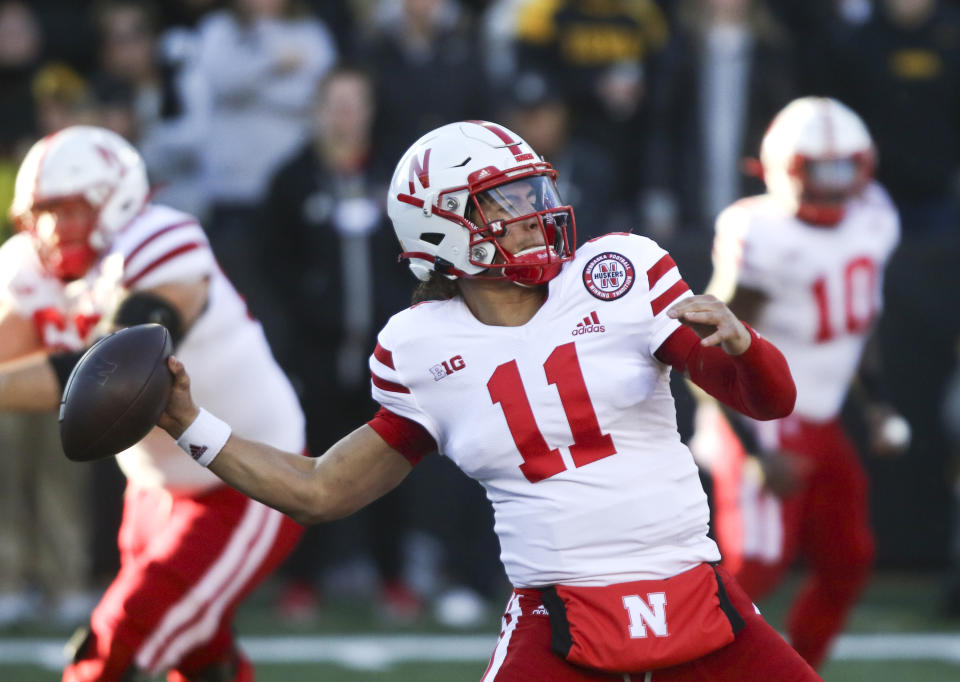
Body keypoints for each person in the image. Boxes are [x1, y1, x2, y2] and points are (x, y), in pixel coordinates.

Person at [156, 120, 818, 680]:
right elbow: (321, 490)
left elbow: (768, 401)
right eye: (506, 200)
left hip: (693, 587)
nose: (536, 213)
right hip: (560, 616)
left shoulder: (617, 273)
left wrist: (743, 348)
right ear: (439, 225)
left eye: (535, 190)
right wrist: (190, 424)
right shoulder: (421, 347)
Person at [0, 125, 305, 681]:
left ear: (116, 203)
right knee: (196, 654)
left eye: (69, 210)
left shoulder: (162, 240)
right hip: (153, 484)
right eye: (42, 212)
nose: (52, 229)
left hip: (246, 476)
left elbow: (115, 374)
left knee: (116, 646)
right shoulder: (26, 266)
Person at [691, 97, 906, 669]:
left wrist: (878, 403)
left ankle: (799, 669)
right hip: (762, 415)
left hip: (821, 417)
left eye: (845, 170)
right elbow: (709, 347)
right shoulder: (760, 232)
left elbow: (858, 321)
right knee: (751, 569)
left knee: (849, 558)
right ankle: (679, 669)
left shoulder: (875, 216)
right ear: (784, 168)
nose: (835, 187)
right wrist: (756, 450)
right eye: (820, 170)